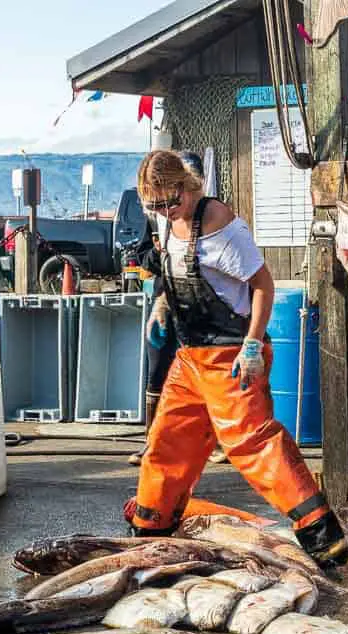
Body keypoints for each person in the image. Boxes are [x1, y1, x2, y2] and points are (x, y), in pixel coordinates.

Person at [129, 149, 348, 565]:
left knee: (253, 445)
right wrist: (161, 304)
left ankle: (324, 538)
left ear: (186, 188)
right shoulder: (165, 218)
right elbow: (171, 268)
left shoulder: (222, 227)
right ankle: (149, 532)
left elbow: (262, 285)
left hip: (229, 355)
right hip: (189, 355)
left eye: (170, 203)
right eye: (154, 206)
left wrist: (252, 346)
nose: (165, 211)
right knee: (166, 442)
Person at [129, 151, 227, 467]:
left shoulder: (210, 216)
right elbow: (143, 256)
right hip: (165, 297)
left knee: (204, 378)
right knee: (157, 370)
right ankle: (151, 442)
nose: (167, 208)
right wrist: (161, 255)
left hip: (200, 307)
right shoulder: (157, 216)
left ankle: (212, 442)